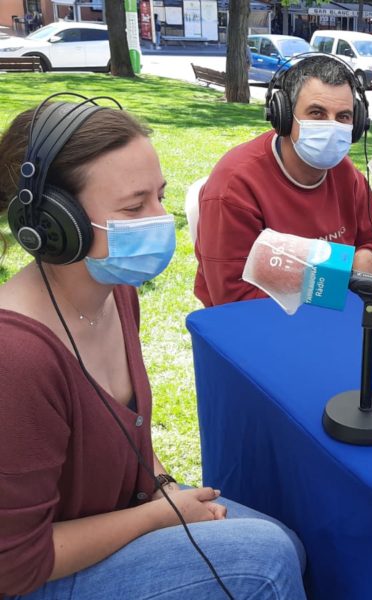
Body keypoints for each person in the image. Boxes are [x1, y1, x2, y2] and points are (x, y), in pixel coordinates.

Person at [0, 97, 306, 599]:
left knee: (288, 545)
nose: (162, 219)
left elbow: (128, 443)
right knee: (265, 561)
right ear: (56, 224)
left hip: (124, 511)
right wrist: (159, 517)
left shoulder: (117, 293)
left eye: (160, 196)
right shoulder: (17, 358)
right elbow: (14, 564)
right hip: (37, 577)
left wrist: (164, 487)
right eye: (133, 206)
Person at [194, 55, 372, 307]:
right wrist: (338, 283)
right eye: (317, 113)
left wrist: (368, 257)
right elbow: (234, 299)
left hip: (338, 317)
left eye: (343, 117)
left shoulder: (346, 174)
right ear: (283, 115)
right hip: (257, 328)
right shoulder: (234, 185)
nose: (331, 127)